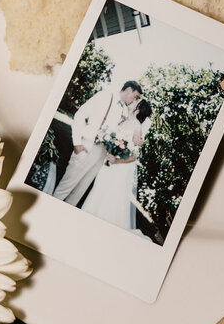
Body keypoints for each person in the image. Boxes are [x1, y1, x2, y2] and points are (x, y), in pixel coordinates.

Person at [54, 79, 145, 209]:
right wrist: (77, 143)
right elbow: (80, 115)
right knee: (67, 185)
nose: (134, 100)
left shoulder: (124, 111)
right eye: (134, 96)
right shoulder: (105, 96)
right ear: (128, 90)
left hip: (102, 154)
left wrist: (134, 141)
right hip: (88, 146)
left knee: (80, 190)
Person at [82, 98, 153, 233]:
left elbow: (133, 156)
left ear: (137, 110)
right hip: (109, 162)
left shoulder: (137, 127)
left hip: (119, 168)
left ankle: (102, 229)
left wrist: (117, 160)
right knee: (98, 189)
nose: (132, 102)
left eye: (135, 102)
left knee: (109, 197)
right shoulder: (124, 120)